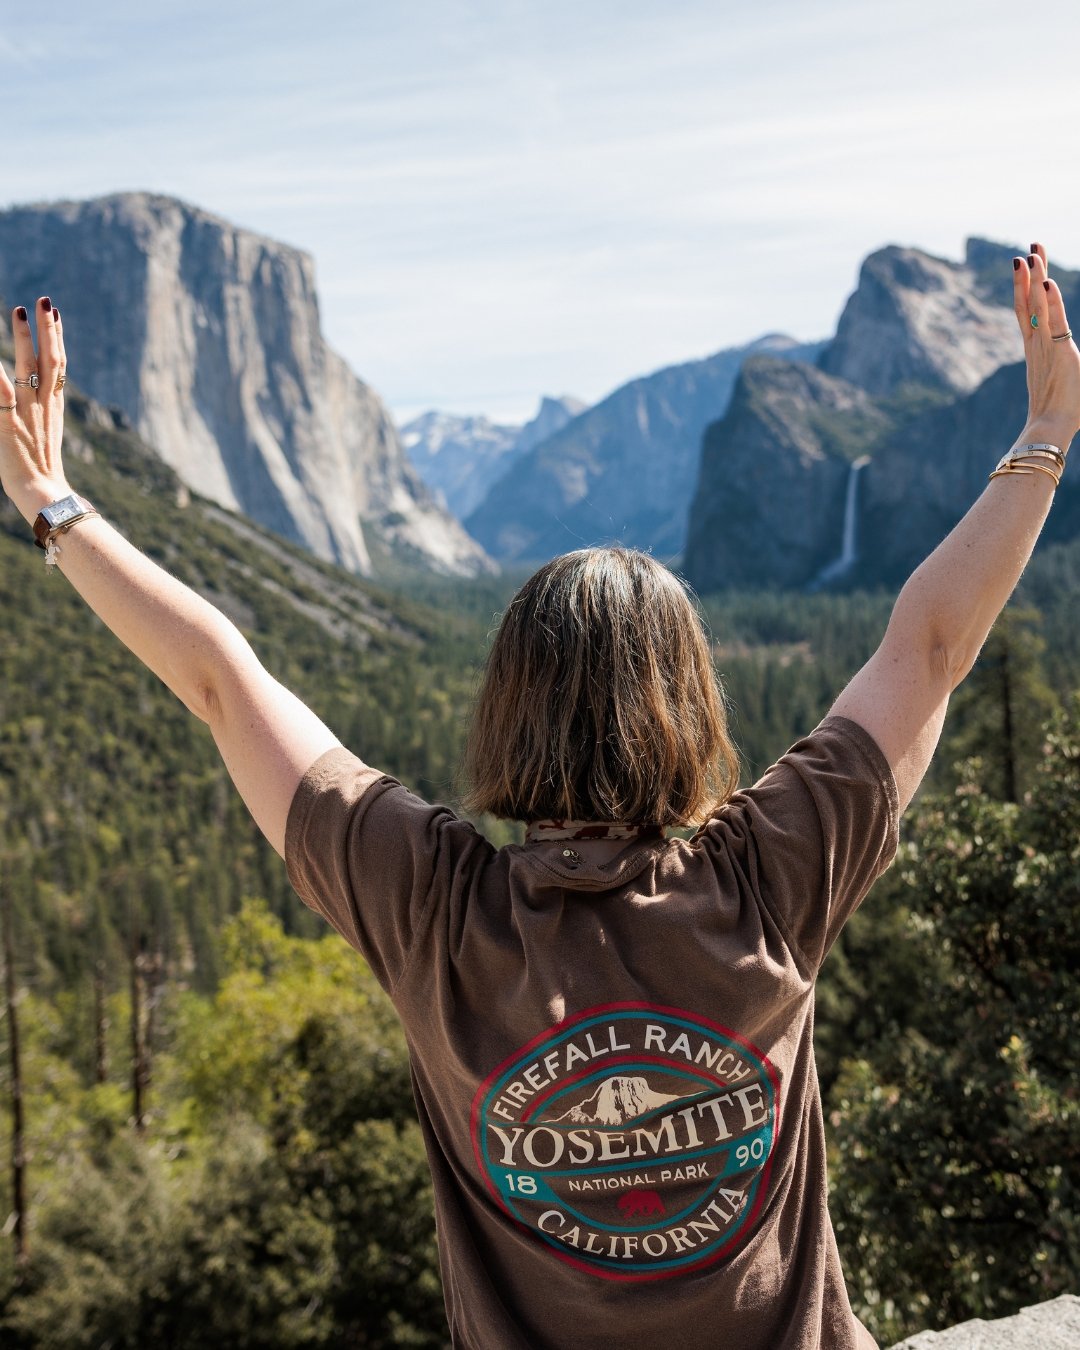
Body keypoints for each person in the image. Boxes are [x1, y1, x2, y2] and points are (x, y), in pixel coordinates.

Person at [1, 246, 1077, 1350]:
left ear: (507, 707)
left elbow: (224, 685)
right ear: (694, 706)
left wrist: (54, 504)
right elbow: (933, 644)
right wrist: (1044, 434)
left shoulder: (432, 909)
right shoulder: (775, 874)